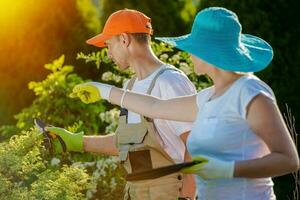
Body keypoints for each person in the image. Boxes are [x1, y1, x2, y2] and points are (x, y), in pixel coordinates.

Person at [70, 7, 300, 200]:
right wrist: (103, 90)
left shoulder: (250, 91)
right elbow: (155, 107)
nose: (189, 55)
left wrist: (230, 170)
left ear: (208, 52)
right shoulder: (208, 97)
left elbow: (288, 160)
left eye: (193, 49)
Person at [46, 9, 197, 200]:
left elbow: (196, 144)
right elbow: (128, 144)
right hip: (136, 192)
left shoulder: (169, 82)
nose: (108, 54)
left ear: (124, 40)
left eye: (109, 45)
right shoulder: (129, 87)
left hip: (169, 192)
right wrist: (75, 142)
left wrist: (188, 196)